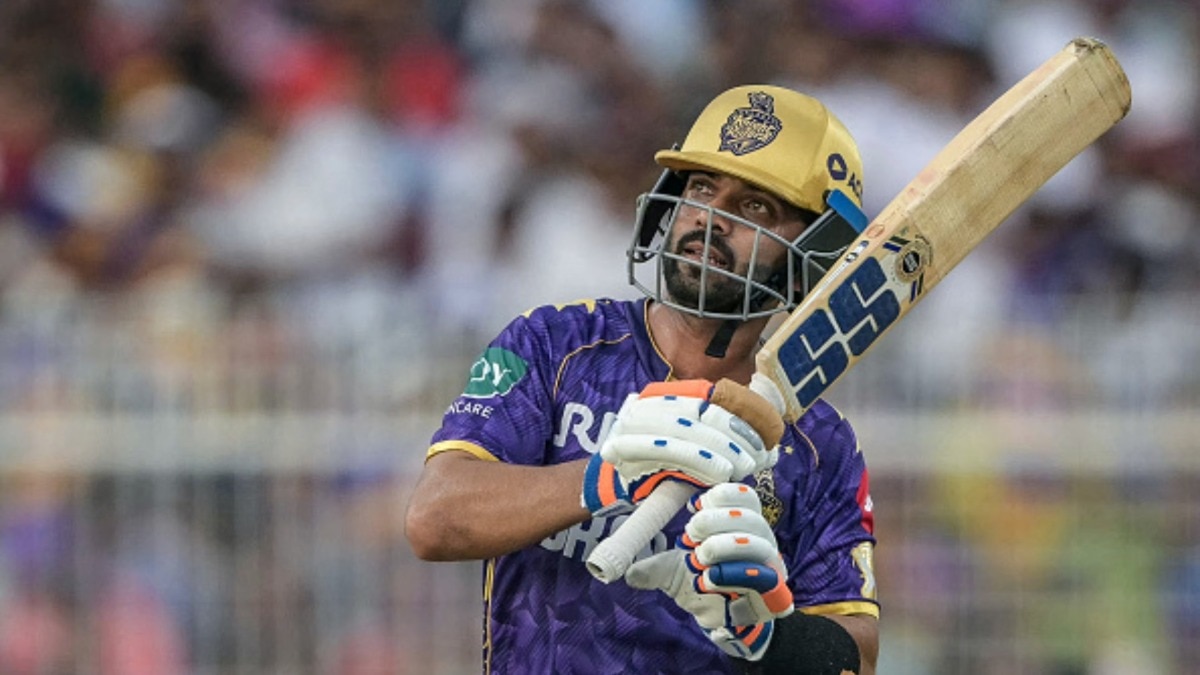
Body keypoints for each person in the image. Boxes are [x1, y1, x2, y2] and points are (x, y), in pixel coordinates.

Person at [404, 85, 880, 674]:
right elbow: (434, 519)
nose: (710, 218)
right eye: (701, 188)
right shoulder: (555, 344)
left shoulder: (820, 443)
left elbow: (859, 656)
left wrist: (766, 635)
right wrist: (607, 475)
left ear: (815, 251)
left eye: (755, 207)